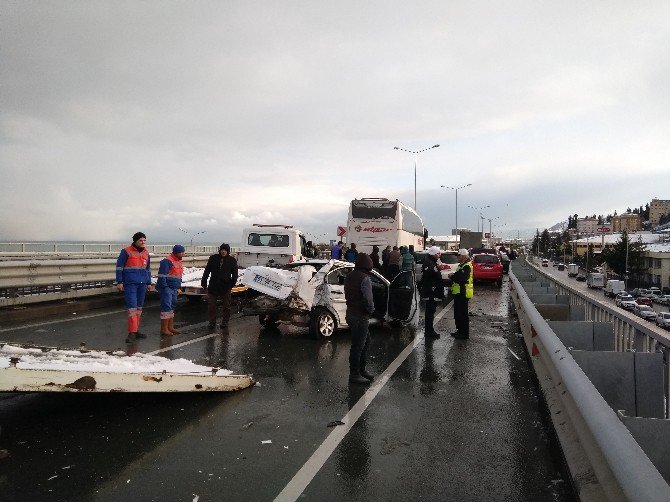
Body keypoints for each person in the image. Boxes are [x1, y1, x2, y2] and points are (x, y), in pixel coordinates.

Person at [344, 253, 376, 385]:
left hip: (350, 313)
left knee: (365, 342)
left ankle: (362, 370)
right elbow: (368, 299)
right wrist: (371, 311)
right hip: (360, 316)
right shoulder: (365, 278)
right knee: (358, 346)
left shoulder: (349, 276)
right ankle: (355, 374)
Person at [116, 232, 153, 343]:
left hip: (142, 283)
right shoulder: (126, 251)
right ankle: (131, 333)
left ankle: (135, 331)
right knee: (132, 308)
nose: (143, 242)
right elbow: (119, 267)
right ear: (135, 241)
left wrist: (148, 282)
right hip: (130, 283)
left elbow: (148, 269)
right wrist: (119, 281)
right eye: (141, 240)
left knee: (139, 308)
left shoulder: (146, 252)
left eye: (144, 240)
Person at [201, 243, 238, 330]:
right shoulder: (213, 258)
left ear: (228, 251)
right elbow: (207, 271)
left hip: (225, 287)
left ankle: (225, 322)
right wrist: (204, 282)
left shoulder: (232, 260)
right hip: (213, 286)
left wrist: (231, 285)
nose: (223, 251)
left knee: (226, 306)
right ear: (220, 250)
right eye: (222, 250)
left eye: (225, 250)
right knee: (211, 306)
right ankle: (212, 322)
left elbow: (235, 274)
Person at [157, 244, 185, 336]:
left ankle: (170, 327)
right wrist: (164, 287)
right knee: (166, 307)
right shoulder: (167, 261)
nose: (183, 254)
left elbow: (178, 275)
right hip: (167, 288)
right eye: (181, 252)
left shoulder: (179, 261)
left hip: (174, 287)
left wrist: (179, 287)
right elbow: (162, 275)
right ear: (176, 252)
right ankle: (164, 329)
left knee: (172, 307)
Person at [447, 248, 474, 339]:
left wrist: (452, 276)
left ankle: (464, 333)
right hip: (459, 292)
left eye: (458, 256)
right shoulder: (462, 265)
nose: (457, 258)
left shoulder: (467, 266)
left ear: (463, 256)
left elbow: (461, 278)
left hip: (463, 292)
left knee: (462, 314)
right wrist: (454, 275)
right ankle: (459, 331)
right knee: (458, 313)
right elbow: (459, 276)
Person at [421, 246, 444, 338]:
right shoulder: (428, 261)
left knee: (431, 311)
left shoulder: (433, 261)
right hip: (431, 291)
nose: (439, 255)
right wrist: (437, 268)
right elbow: (427, 273)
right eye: (438, 253)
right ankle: (429, 331)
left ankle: (430, 330)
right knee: (430, 312)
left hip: (433, 290)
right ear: (433, 254)